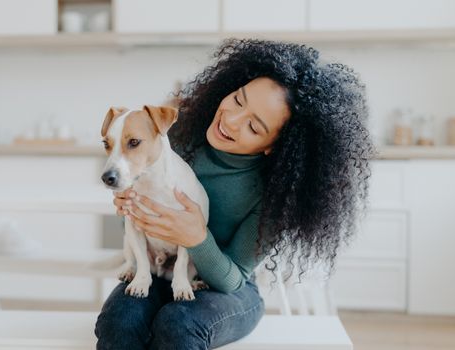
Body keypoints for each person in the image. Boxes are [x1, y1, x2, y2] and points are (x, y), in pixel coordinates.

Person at [94, 38, 375, 349]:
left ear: (274, 146)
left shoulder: (274, 194)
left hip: (231, 291)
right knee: (119, 322)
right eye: (238, 100)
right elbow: (136, 228)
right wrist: (129, 207)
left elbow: (232, 279)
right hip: (164, 269)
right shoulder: (177, 139)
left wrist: (197, 238)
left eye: (254, 127)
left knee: (178, 324)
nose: (231, 120)